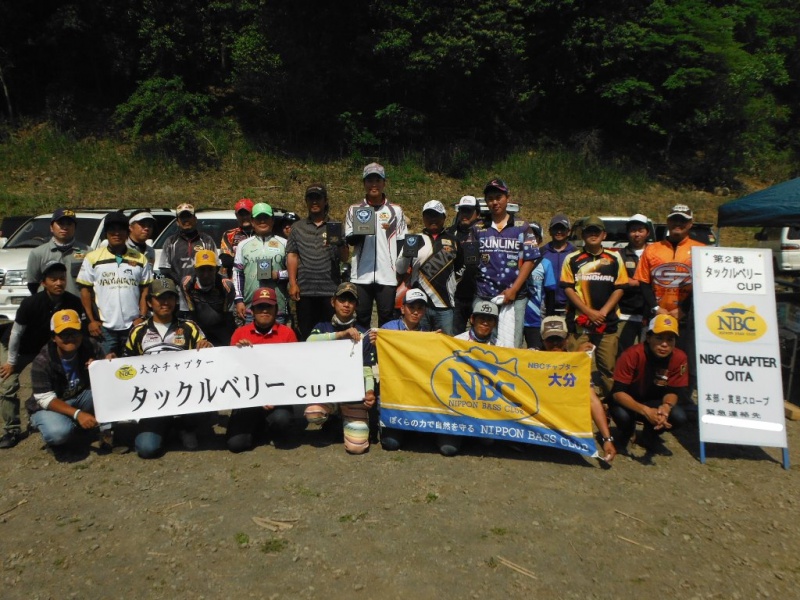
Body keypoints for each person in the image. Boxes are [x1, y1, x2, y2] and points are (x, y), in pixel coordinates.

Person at [124, 278, 212, 458]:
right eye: (159, 298)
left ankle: (185, 427)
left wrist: (207, 347)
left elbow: (206, 361)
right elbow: (127, 365)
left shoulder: (189, 327)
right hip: (153, 398)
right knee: (147, 449)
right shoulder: (138, 331)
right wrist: (111, 363)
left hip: (184, 393)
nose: (165, 302)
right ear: (149, 302)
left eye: (170, 297)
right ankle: (164, 425)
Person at [0, 262, 84, 448]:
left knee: (52, 379)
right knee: (7, 383)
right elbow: (16, 333)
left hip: (49, 348)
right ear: (43, 282)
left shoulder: (73, 302)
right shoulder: (31, 303)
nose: (58, 283)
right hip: (19, 347)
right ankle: (11, 429)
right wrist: (11, 362)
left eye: (62, 278)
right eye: (53, 279)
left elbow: (80, 333)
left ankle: (44, 412)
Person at [634, 204, 704, 394]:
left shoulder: (701, 250)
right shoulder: (652, 249)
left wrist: (684, 310)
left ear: (691, 223)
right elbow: (643, 282)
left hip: (686, 318)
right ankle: (649, 399)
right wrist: (656, 308)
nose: (678, 224)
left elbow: (703, 285)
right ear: (668, 221)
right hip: (658, 315)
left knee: (684, 360)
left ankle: (682, 400)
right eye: (674, 219)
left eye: (683, 220)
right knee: (652, 358)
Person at [304, 282, 377, 454]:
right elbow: (309, 343)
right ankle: (334, 418)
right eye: (342, 300)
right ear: (333, 302)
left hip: (353, 396)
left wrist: (370, 392)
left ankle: (346, 417)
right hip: (328, 392)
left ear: (356, 306)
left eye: (351, 301)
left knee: (357, 447)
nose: (346, 304)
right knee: (313, 413)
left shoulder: (364, 333)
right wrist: (341, 334)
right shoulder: (321, 327)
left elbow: (367, 368)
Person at [560, 216, 627, 399]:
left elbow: (620, 287)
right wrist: (589, 312)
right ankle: (577, 406)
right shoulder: (572, 258)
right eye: (589, 231)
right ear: (582, 234)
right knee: (577, 367)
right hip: (580, 323)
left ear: (604, 234)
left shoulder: (615, 258)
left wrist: (603, 312)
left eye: (596, 231)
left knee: (608, 370)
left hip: (608, 322)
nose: (593, 235)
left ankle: (611, 407)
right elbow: (567, 288)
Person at [227, 287, 300, 453]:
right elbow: (232, 373)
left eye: (269, 306)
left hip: (277, 397)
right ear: (252, 311)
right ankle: (258, 425)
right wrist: (238, 353)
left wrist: (275, 396)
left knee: (282, 422)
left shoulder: (287, 334)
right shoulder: (240, 333)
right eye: (260, 307)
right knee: (236, 445)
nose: (265, 310)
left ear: (276, 310)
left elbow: (293, 371)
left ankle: (270, 426)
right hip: (248, 398)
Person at [536, 316, 616, 462]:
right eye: (550, 339)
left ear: (567, 339)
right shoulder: (530, 358)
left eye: (559, 339)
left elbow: (592, 400)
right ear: (542, 340)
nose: (555, 344)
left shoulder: (577, 364)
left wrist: (607, 438)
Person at [471, 178, 540, 348]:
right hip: (484, 295)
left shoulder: (522, 226)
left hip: (514, 297)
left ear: (507, 197)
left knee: (512, 345)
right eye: (490, 198)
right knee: (482, 344)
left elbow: (531, 259)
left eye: (498, 197)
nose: (494, 202)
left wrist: (514, 289)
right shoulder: (478, 227)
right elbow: (471, 260)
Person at [609, 314, 689, 457]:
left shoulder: (680, 357)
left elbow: (674, 391)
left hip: (655, 400)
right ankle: (626, 433)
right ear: (648, 337)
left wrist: (666, 407)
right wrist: (645, 411)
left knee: (678, 416)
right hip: (629, 399)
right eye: (659, 338)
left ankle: (649, 436)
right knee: (621, 414)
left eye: (670, 339)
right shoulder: (632, 354)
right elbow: (618, 393)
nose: (664, 344)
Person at [26, 309, 104, 452]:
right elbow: (45, 399)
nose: (70, 338)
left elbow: (107, 378)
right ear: (53, 337)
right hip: (52, 403)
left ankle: (105, 432)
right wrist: (77, 414)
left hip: (81, 396)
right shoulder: (42, 361)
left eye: (74, 332)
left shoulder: (91, 346)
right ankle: (42, 423)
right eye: (63, 334)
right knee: (58, 433)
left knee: (108, 394)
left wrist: (105, 365)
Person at [77, 210, 152, 356]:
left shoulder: (140, 258)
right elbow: (85, 290)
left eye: (121, 229)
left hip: (133, 325)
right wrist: (91, 320)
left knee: (133, 367)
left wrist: (142, 317)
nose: (117, 233)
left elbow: (145, 290)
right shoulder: (92, 258)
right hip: (104, 328)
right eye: (112, 229)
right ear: (106, 233)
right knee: (106, 368)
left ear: (127, 232)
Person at [344, 162, 407, 328]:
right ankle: (364, 352)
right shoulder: (354, 209)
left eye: (377, 180)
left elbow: (402, 243)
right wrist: (363, 228)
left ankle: (383, 353)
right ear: (364, 183)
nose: (374, 184)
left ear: (384, 183)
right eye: (369, 180)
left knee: (387, 318)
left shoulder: (396, 210)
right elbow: (350, 240)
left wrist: (400, 270)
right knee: (362, 318)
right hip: (361, 275)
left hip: (387, 275)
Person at [287, 184, 349, 340]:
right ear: (306, 202)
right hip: (305, 290)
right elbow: (292, 255)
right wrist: (293, 283)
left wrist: (340, 243)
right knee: (307, 334)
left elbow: (344, 257)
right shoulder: (297, 227)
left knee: (331, 334)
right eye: (311, 198)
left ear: (325, 201)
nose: (314, 202)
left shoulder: (336, 226)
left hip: (329, 290)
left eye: (318, 198)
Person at [396, 200, 462, 335]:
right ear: (423, 218)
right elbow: (400, 269)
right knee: (419, 344)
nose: (432, 219)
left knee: (445, 346)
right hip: (419, 306)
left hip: (445, 305)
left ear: (444, 217)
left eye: (436, 215)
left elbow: (461, 268)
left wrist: (452, 286)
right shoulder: (414, 239)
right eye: (428, 215)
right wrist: (406, 255)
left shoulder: (454, 241)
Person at [379, 289, 431, 452]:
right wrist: (374, 342)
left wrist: (437, 343)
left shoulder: (427, 335)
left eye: (420, 308)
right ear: (402, 309)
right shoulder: (387, 329)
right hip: (393, 395)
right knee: (390, 444)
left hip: (415, 395)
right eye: (411, 307)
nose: (415, 312)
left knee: (423, 438)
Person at [232, 202, 291, 326]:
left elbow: (295, 272)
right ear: (252, 221)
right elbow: (237, 273)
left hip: (278, 309)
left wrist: (279, 275)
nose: (262, 221)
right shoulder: (243, 245)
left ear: (272, 220)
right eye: (259, 218)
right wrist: (238, 300)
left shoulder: (285, 243)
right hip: (250, 309)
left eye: (266, 217)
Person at [157, 203, 217, 316]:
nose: (186, 220)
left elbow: (216, 266)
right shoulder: (170, 242)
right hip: (179, 299)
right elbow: (164, 268)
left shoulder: (207, 240)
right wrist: (183, 283)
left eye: (189, 216)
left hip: (204, 296)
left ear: (195, 219)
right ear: (177, 221)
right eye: (182, 217)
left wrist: (200, 283)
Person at [26, 207, 90, 297]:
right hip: (48, 308)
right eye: (60, 224)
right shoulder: (37, 253)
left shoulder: (88, 252)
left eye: (69, 224)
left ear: (75, 228)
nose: (65, 227)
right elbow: (33, 284)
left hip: (76, 307)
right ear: (51, 227)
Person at [181, 249, 236, 346]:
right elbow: (188, 313)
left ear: (217, 269)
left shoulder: (226, 285)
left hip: (221, 327)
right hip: (197, 326)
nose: (206, 274)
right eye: (202, 269)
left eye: (210, 269)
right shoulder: (187, 284)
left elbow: (228, 315)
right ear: (195, 269)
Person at [616, 214, 650, 356]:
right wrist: (643, 282)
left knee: (646, 353)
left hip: (649, 314)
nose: (636, 234)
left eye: (640, 230)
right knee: (623, 353)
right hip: (624, 314)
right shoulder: (619, 255)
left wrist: (634, 282)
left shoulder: (654, 252)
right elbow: (619, 281)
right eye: (633, 230)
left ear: (647, 232)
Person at [447, 195, 480, 335]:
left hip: (478, 294)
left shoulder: (486, 233)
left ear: (477, 213)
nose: (465, 215)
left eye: (469, 211)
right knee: (454, 337)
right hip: (456, 296)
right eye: (462, 211)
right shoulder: (449, 233)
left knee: (479, 336)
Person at [522, 222, 557, 349]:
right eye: (527, 236)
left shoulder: (546, 263)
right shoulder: (514, 260)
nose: (530, 240)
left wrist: (549, 319)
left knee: (535, 354)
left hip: (536, 321)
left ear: (540, 240)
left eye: (534, 237)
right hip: (516, 318)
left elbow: (550, 293)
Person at [540, 214, 576, 317]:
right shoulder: (541, 252)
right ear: (550, 231)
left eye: (562, 229)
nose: (559, 232)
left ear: (568, 232)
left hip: (568, 306)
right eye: (556, 228)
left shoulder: (576, 254)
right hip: (544, 306)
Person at [219, 198, 255, 277]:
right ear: (236, 215)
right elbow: (226, 260)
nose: (244, 217)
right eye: (241, 214)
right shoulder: (229, 234)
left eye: (247, 214)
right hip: (236, 278)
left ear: (253, 214)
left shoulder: (261, 233)